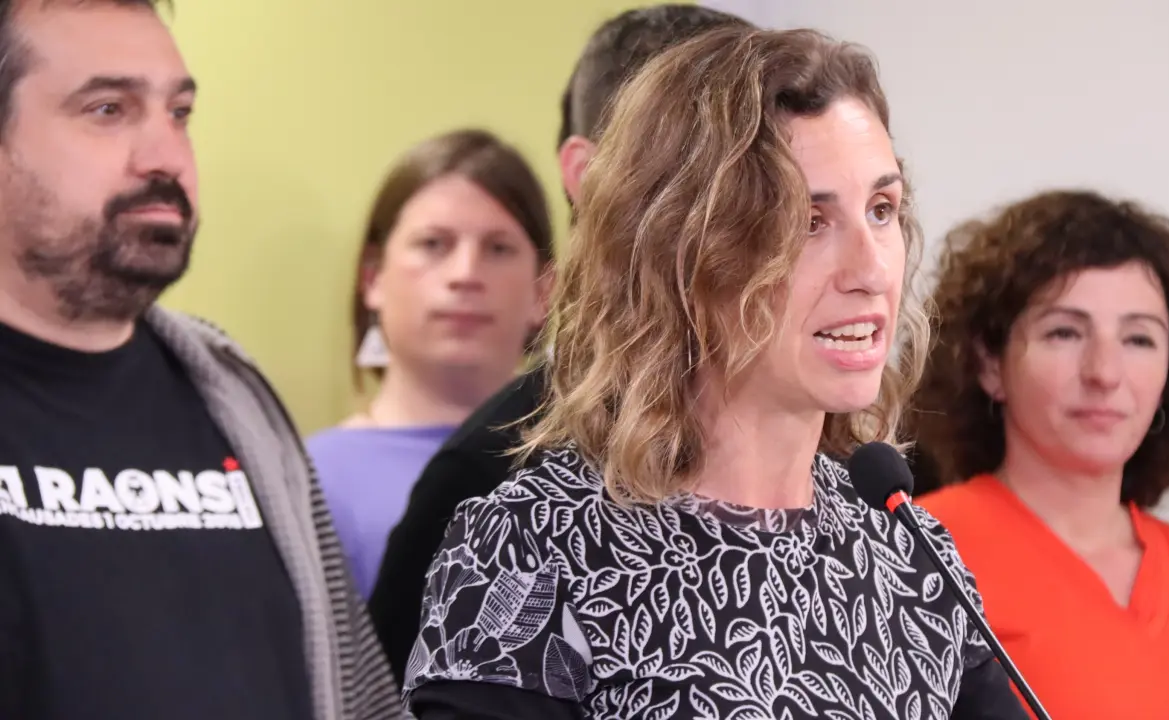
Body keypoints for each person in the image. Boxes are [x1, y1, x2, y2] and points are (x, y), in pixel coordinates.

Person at [402, 25, 1029, 720]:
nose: (872, 270)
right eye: (807, 222)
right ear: (683, 255)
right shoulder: (533, 549)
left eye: (882, 211)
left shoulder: (909, 553)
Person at [0, 1, 402, 718]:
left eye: (179, 113)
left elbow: (361, 697)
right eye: (108, 109)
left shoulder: (236, 395)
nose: (166, 155)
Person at [367, 3, 752, 683]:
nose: (760, 203)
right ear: (592, 173)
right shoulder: (491, 476)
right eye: (717, 160)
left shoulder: (853, 461)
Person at [912, 190, 1169, 718]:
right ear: (990, 363)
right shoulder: (917, 554)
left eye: (1139, 339)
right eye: (1064, 332)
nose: (1105, 373)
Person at [307, 129, 553, 599]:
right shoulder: (307, 480)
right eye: (434, 244)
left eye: (498, 248)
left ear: (545, 290)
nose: (466, 274)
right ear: (373, 278)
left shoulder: (601, 465)